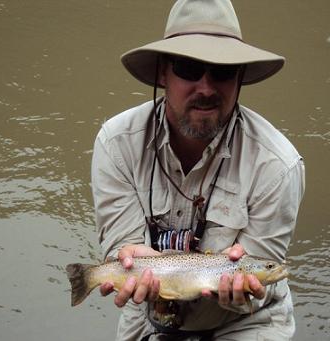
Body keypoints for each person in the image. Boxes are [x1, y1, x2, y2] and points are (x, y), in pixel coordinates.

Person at [91, 0, 305, 340]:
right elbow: (124, 244)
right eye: (189, 68)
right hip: (149, 318)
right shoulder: (116, 145)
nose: (206, 88)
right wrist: (127, 256)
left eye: (222, 71)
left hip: (247, 322)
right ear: (163, 72)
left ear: (241, 77)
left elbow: (260, 269)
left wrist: (242, 290)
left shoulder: (278, 166)